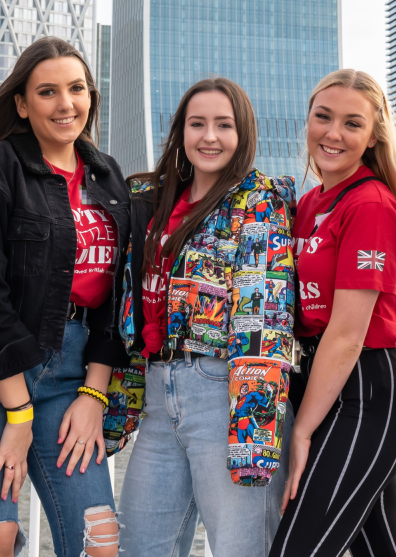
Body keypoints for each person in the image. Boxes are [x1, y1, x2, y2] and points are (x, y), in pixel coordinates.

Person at [0, 37, 130, 557]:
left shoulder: (108, 177)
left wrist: (94, 393)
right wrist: (17, 412)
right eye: (47, 92)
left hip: (73, 374)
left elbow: (116, 297)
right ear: (22, 103)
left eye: (77, 89)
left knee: (99, 540)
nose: (66, 104)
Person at [117, 77, 296, 557]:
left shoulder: (258, 202)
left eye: (224, 125)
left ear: (244, 135)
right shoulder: (151, 200)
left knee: (242, 549)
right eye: (197, 124)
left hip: (224, 392)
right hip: (158, 393)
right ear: (180, 131)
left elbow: (265, 318)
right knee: (139, 546)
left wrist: (254, 435)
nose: (209, 137)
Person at [271, 69, 396, 557]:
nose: (333, 133)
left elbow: (346, 333)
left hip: (366, 391)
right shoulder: (310, 202)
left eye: (352, 123)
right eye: (323, 117)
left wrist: (302, 428)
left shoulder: (372, 204)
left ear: (373, 136)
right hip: (320, 382)